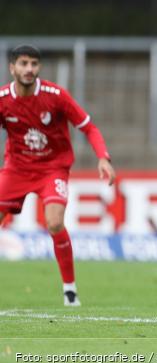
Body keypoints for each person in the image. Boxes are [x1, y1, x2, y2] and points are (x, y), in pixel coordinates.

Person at [0, 45, 115, 307]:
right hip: (16, 168)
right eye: (24, 64)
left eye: (34, 64)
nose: (29, 69)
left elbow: (89, 127)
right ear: (12, 68)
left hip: (52, 168)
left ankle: (70, 289)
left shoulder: (55, 96)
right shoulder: (3, 99)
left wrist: (103, 157)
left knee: (53, 222)